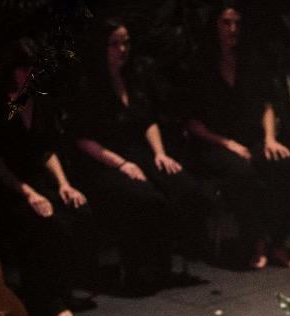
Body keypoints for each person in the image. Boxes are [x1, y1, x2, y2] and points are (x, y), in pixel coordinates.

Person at [70, 19, 204, 293]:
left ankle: (163, 260)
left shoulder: (135, 76)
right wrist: (122, 164)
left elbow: (148, 120)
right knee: (143, 198)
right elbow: (83, 138)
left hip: (138, 151)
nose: (122, 49)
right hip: (103, 160)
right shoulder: (89, 83)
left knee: (182, 185)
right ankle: (139, 267)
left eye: (126, 43)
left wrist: (160, 153)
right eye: (115, 44)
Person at [0, 38, 89, 316]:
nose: (30, 74)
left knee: (73, 210)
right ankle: (45, 299)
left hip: (37, 176)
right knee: (38, 223)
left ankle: (63, 287)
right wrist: (28, 194)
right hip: (8, 185)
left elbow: (47, 150)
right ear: (12, 70)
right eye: (24, 68)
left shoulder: (40, 102)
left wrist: (64, 184)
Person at [184, 2, 290, 269]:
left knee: (281, 163)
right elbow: (192, 122)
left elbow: (267, 105)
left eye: (236, 23)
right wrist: (228, 144)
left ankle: (276, 242)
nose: (232, 29)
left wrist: (270, 139)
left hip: (251, 138)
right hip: (214, 143)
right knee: (240, 172)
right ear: (215, 26)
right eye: (226, 23)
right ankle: (255, 241)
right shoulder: (201, 64)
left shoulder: (251, 59)